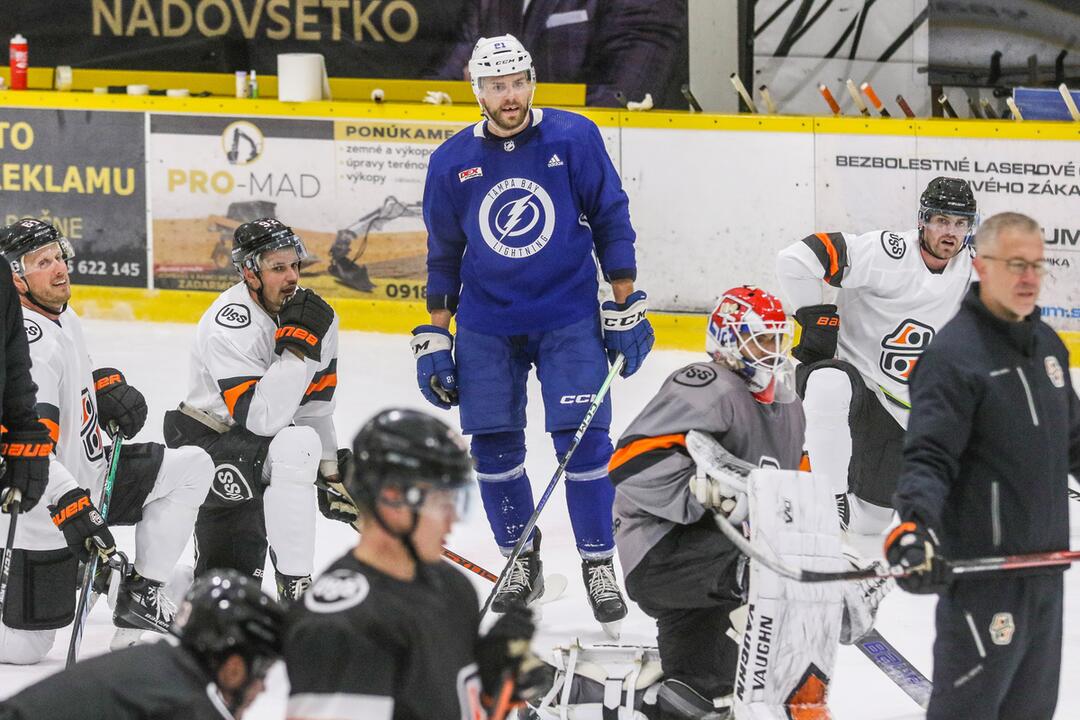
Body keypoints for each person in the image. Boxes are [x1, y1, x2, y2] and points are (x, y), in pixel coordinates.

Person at [413, 34, 653, 627]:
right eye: (497, 86)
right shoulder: (450, 163)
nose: (510, 95)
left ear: (532, 81)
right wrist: (435, 335)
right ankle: (520, 557)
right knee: (493, 451)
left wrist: (624, 304)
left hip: (567, 317)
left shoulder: (573, 137)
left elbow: (610, 217)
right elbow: (443, 254)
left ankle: (599, 562)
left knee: (584, 444)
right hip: (487, 325)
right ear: (478, 91)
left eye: (518, 81)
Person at [888, 212, 1080, 719]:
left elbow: (1075, 441)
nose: (1029, 278)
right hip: (982, 580)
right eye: (1015, 264)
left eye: (1038, 265)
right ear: (980, 265)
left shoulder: (1047, 348)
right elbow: (929, 458)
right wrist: (913, 527)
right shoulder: (954, 357)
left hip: (1046, 575)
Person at [0, 218, 214, 663]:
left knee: (191, 466)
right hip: (49, 514)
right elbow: (28, 442)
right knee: (25, 650)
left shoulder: (61, 314)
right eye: (43, 262)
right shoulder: (30, 342)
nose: (60, 269)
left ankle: (140, 596)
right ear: (16, 277)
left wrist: (101, 387)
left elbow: (72, 380)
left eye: (59, 256)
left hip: (97, 479)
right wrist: (70, 503)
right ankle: (94, 578)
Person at [284, 408, 549, 720]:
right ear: (394, 499)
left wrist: (491, 690)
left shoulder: (452, 587)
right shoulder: (337, 625)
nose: (451, 520)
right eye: (441, 503)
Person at [775, 177, 977, 534]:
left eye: (960, 223)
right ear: (922, 220)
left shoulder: (973, 273)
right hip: (852, 381)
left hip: (897, 409)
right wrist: (815, 318)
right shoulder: (889, 252)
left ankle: (807, 475)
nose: (951, 232)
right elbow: (794, 260)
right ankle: (828, 496)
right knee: (828, 382)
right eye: (942, 221)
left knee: (870, 522)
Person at [164, 217, 344, 602]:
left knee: (227, 594)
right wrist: (297, 352)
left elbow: (314, 408)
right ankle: (296, 589)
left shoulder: (317, 315)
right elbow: (259, 419)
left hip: (262, 453)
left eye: (294, 265)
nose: (292, 277)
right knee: (294, 444)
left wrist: (331, 473)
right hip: (208, 448)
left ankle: (146, 585)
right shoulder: (229, 321)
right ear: (250, 272)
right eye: (278, 268)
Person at [0, 569, 285, 720]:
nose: (262, 687)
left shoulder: (155, 663)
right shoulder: (182, 704)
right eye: (261, 670)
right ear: (234, 667)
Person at [433, 0, 689, 109]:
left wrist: (499, 88)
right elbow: (436, 90)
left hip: (599, 182)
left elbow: (624, 100)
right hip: (495, 173)